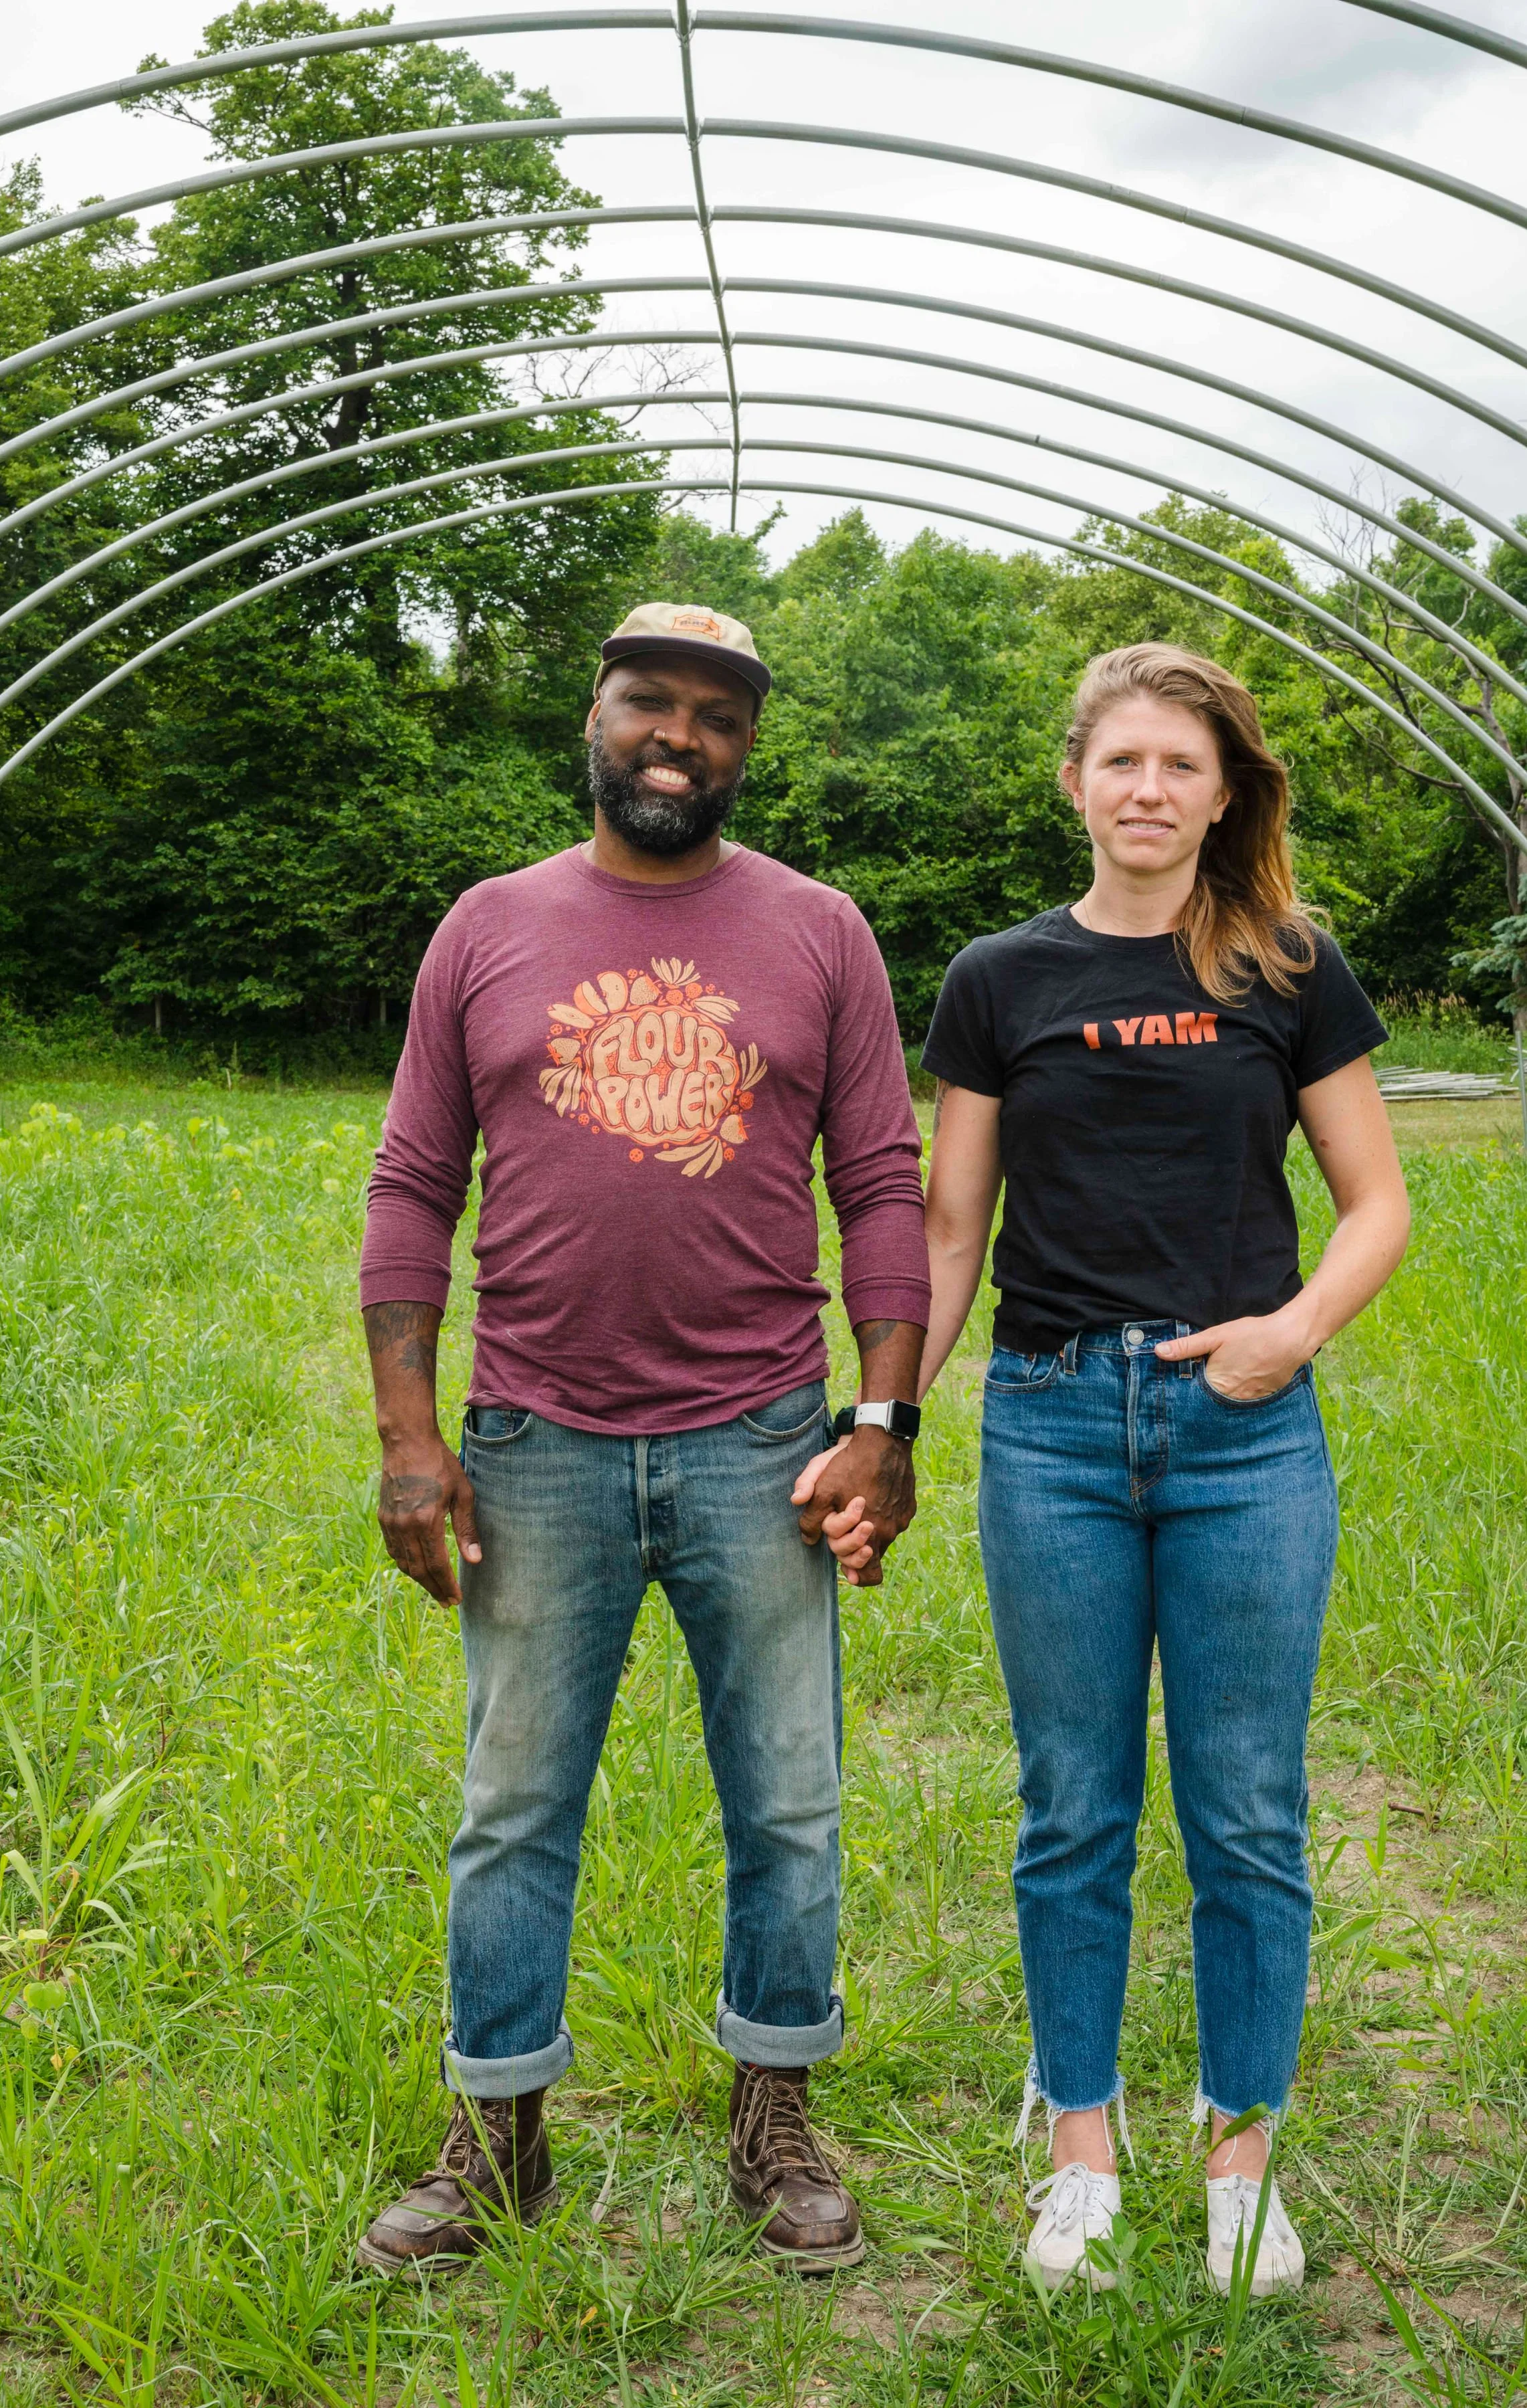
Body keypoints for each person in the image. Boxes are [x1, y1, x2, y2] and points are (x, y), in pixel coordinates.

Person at [353, 600, 930, 2279]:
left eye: (719, 718)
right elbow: (411, 1184)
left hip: (765, 1439)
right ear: (592, 713)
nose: (681, 737)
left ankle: (776, 2121)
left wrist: (882, 1423)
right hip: (532, 1439)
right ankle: (497, 2140)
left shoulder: (823, 933)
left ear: (750, 748)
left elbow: (882, 1182)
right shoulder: (488, 925)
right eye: (649, 703)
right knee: (516, 1805)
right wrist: (409, 1435)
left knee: (791, 1803)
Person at [917, 643, 1409, 2298]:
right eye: (1121, 761)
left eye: (1180, 767)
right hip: (1051, 1425)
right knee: (1073, 1811)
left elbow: (1377, 1207)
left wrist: (1290, 1336)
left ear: (1223, 792)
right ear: (1075, 782)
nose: (1148, 790)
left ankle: (1242, 2167)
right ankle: (1080, 2157)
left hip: (1244, 1431)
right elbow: (947, 1229)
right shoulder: (997, 979)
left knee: (1249, 1813)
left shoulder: (1289, 967)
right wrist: (887, 1417)